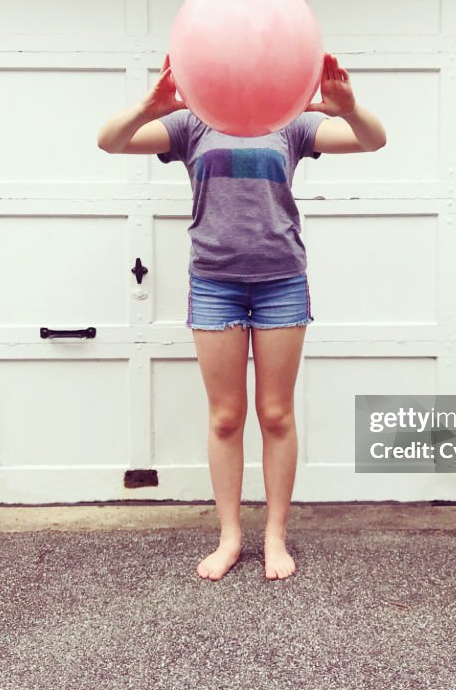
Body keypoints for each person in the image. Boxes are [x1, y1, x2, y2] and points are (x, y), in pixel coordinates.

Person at [97, 53, 386, 580]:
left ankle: (274, 535)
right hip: (214, 282)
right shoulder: (190, 124)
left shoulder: (293, 124)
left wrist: (348, 108)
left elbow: (372, 141)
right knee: (226, 417)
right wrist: (148, 107)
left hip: (281, 281)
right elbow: (110, 142)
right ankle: (230, 536)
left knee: (276, 414)